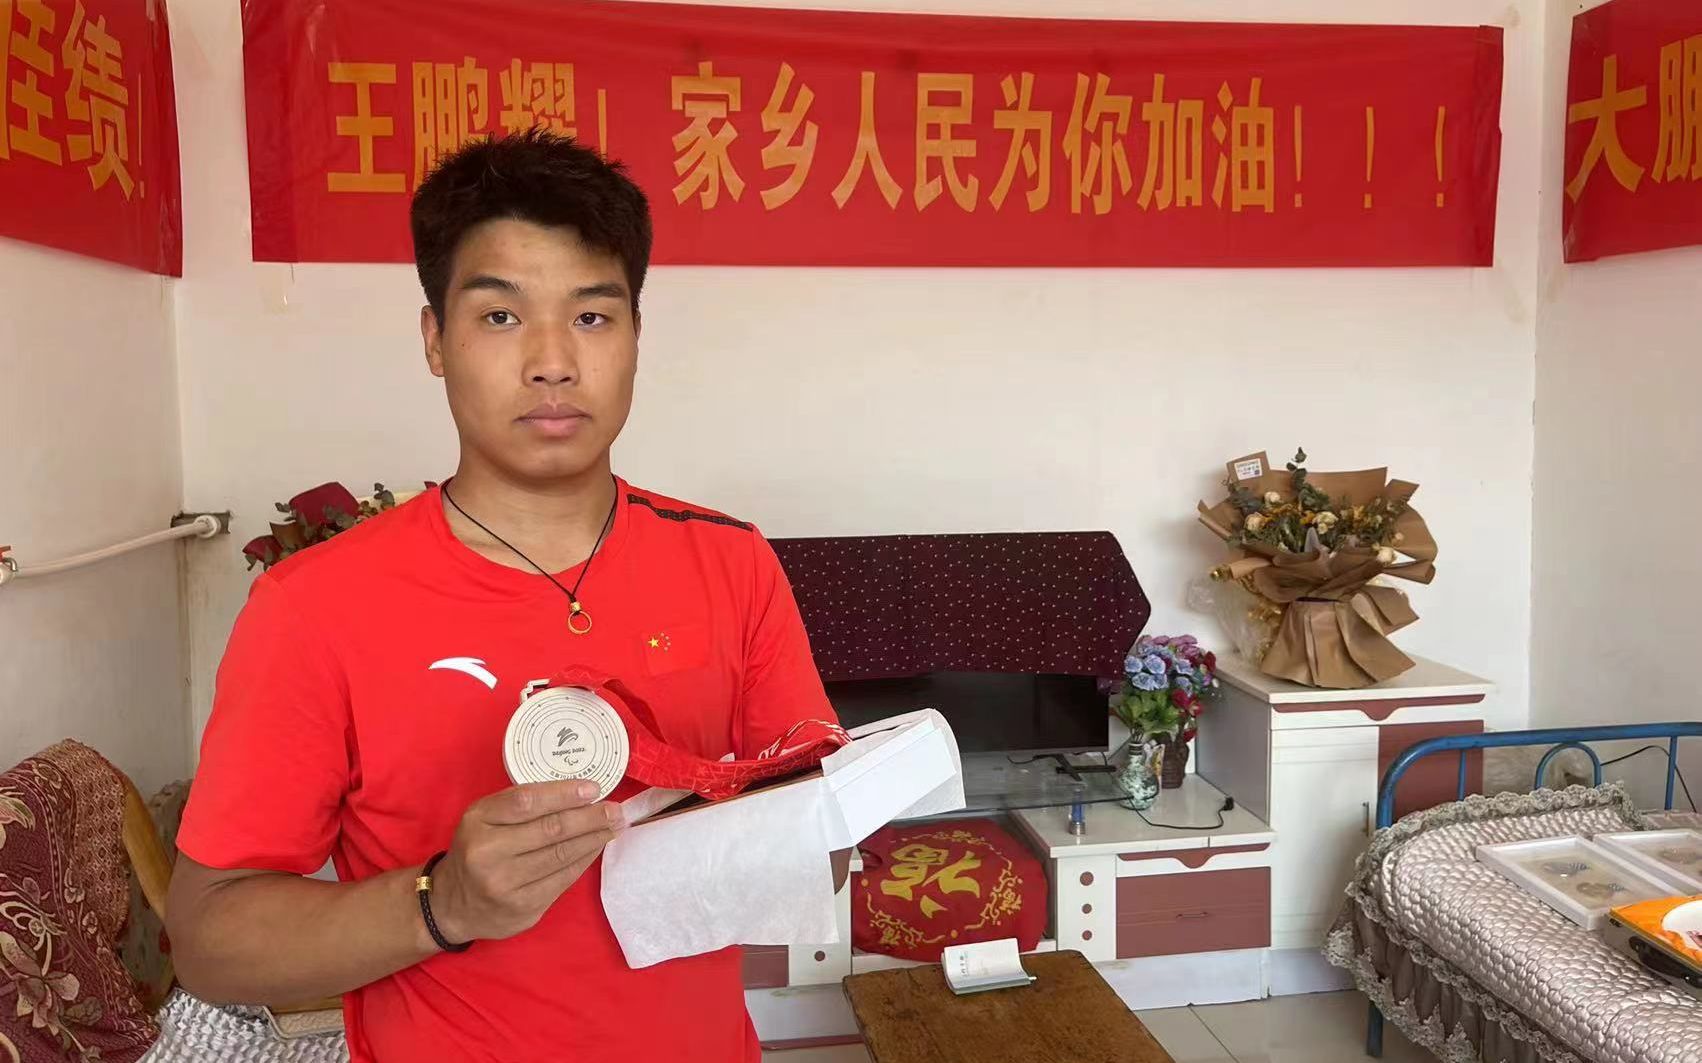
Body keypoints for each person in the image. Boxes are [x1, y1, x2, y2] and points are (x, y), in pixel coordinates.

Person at [167, 129, 843, 1063]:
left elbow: (814, 834)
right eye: (499, 315)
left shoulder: (732, 562)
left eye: (593, 316)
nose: (552, 361)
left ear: (636, 336)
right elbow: (209, 939)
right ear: (434, 341)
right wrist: (441, 902)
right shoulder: (314, 605)